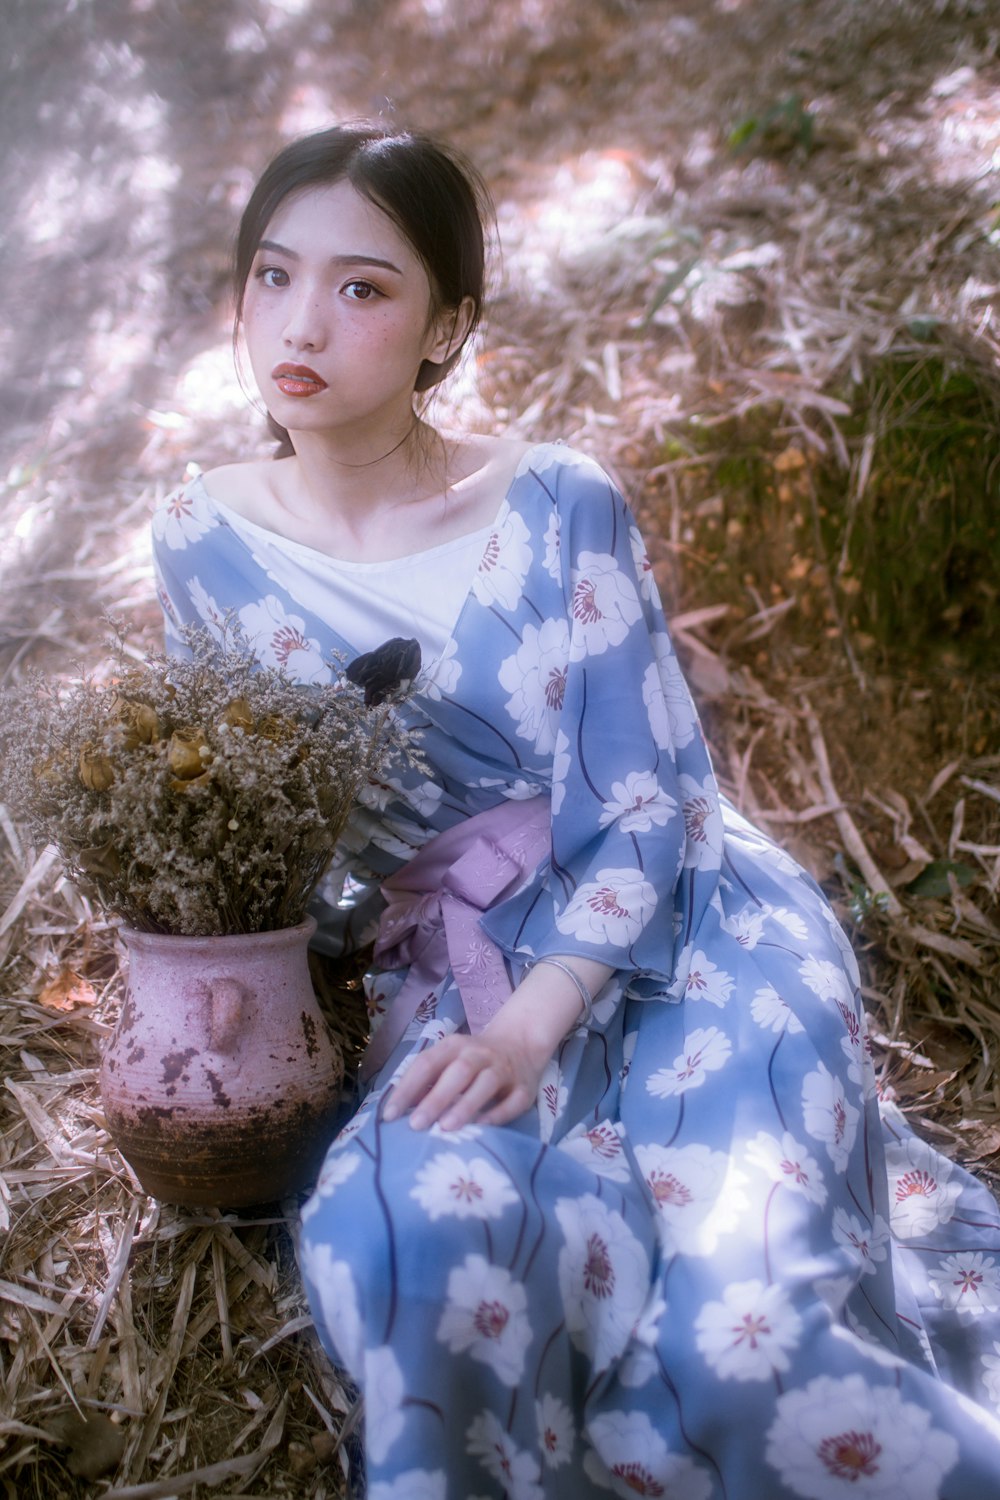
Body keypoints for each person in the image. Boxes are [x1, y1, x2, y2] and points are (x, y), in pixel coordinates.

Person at [152, 123, 1000, 1500]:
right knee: (415, 1246)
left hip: (679, 935)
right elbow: (255, 820)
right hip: (434, 973)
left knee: (749, 1335)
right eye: (273, 274)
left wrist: (533, 1025)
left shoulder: (556, 505)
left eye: (364, 287)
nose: (300, 322)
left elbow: (651, 797)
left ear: (447, 328)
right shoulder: (202, 537)